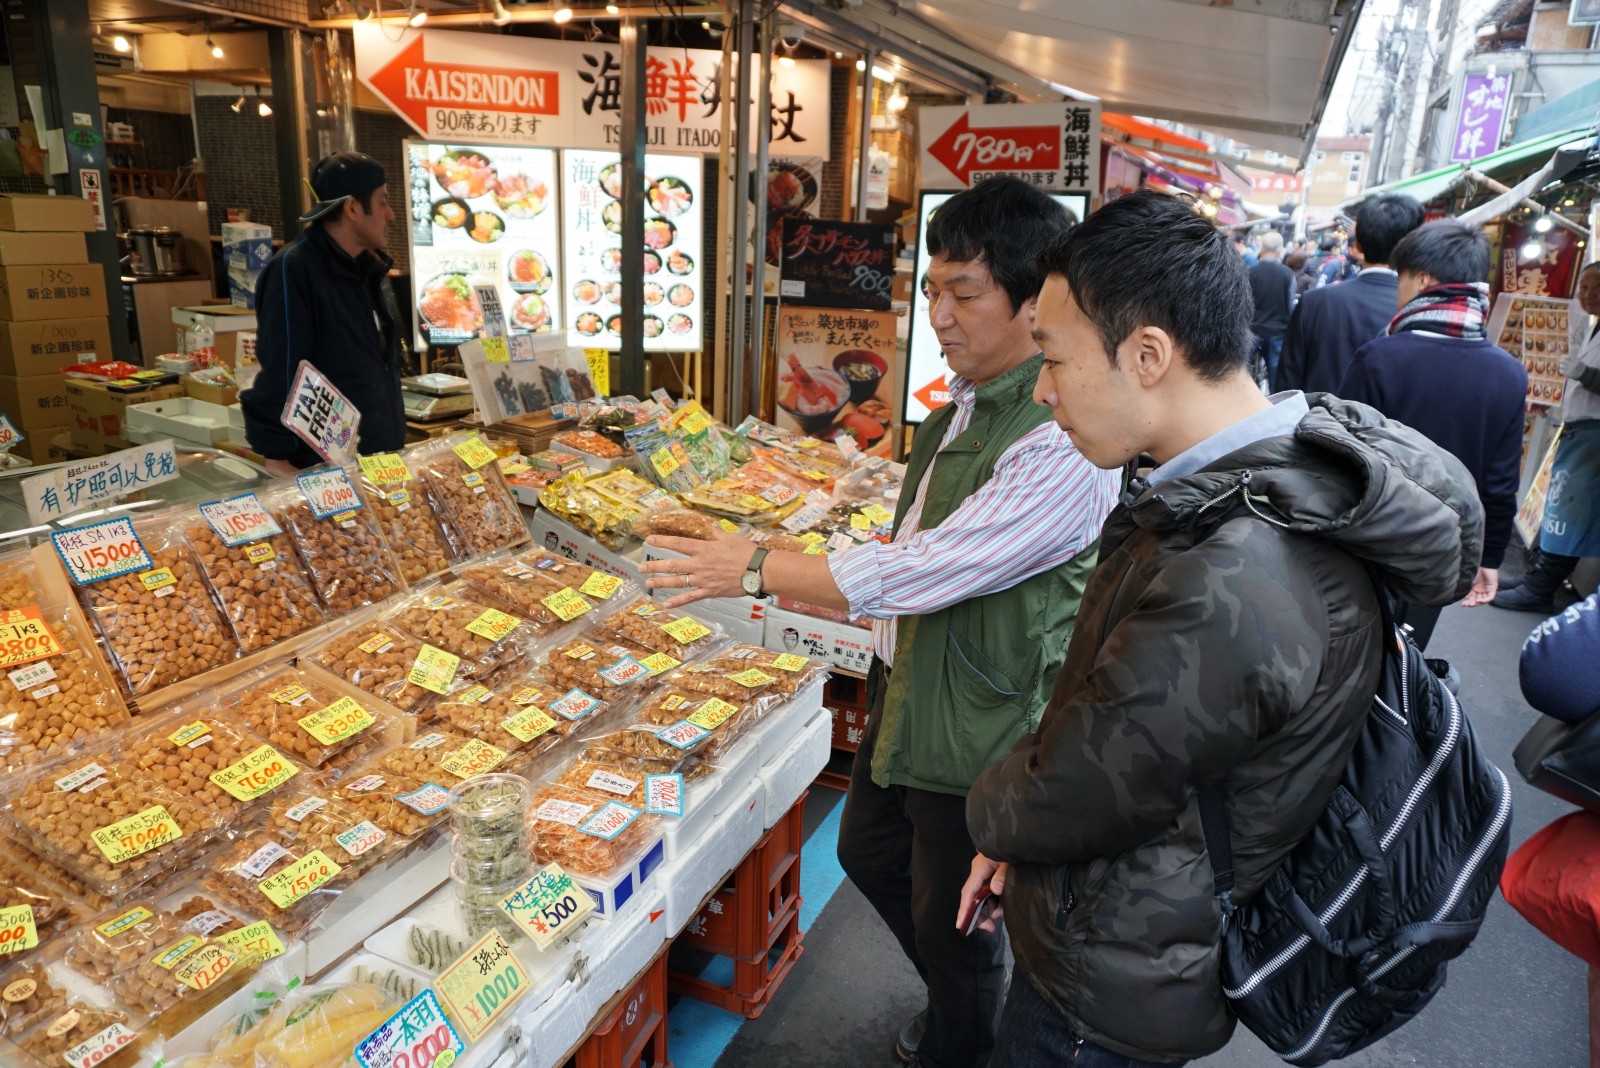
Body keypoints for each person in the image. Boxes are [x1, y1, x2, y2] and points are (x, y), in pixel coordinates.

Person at [956, 189, 1482, 1067]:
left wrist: (993, 820)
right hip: (1139, 925)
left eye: (1053, 357)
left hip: (1114, 974)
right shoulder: (1265, 485)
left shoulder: (1238, 566)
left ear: (1148, 354)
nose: (1043, 391)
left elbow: (1089, 785)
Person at [641, 176, 1119, 1068]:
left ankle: (962, 1039)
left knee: (957, 919)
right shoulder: (970, 402)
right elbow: (918, 534)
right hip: (917, 685)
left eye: (962, 293)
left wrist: (751, 562)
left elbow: (934, 564)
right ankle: (959, 1003)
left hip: (986, 714)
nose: (936, 314)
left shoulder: (1056, 434)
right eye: (929, 290)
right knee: (870, 852)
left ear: (1033, 301)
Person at [1335, 219, 1526, 647]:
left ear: (1422, 279)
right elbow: (1499, 482)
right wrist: (1489, 556)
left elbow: (1339, 451)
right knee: (1407, 658)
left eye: (1402, 277)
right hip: (1443, 547)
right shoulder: (1509, 375)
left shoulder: (1380, 357)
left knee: (1347, 650)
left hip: (1367, 540)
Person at [242, 151, 406, 475]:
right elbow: (284, 366)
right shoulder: (295, 268)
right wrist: (278, 457)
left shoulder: (364, 268)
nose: (391, 215)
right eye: (383, 201)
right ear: (353, 208)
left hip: (375, 458)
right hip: (322, 466)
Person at [1496, 261, 1600, 613]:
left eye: (1597, 287)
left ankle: (1540, 588)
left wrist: (1586, 374)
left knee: (1570, 515)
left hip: (1594, 438)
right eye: (1583, 287)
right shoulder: (1592, 327)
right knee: (1559, 509)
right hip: (1577, 430)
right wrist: (1551, 401)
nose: (1588, 294)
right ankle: (1535, 579)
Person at [1277, 194, 1426, 394]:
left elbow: (1286, 387)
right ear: (1415, 247)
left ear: (1358, 246)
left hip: (1315, 421)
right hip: (1383, 425)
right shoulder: (1419, 313)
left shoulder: (1315, 302)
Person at [1246, 231, 1296, 388]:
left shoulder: (1250, 271)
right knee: (1276, 376)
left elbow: (1243, 303)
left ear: (1262, 247)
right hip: (1277, 331)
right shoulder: (1287, 274)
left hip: (1252, 330)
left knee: (1243, 374)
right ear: (1280, 249)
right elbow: (1290, 304)